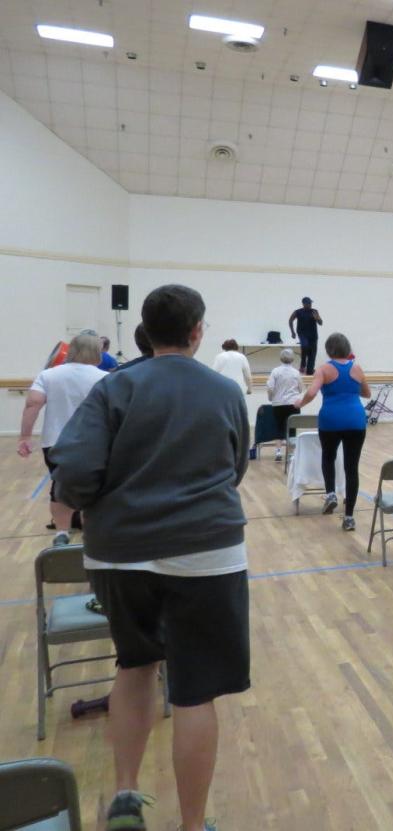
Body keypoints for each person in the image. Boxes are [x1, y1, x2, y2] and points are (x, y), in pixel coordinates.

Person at [50, 284, 250, 831]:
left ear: (146, 329)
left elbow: (73, 476)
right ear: (196, 331)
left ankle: (125, 797)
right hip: (207, 555)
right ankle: (191, 825)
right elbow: (235, 468)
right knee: (194, 691)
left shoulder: (115, 388)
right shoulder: (223, 390)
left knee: (134, 667)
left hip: (121, 555)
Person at [17, 333, 107, 546]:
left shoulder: (48, 375)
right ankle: (90, 537)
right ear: (97, 352)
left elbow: (33, 404)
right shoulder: (105, 378)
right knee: (94, 490)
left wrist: (25, 436)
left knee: (59, 487)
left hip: (55, 442)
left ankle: (61, 534)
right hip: (93, 443)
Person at [296, 332, 370, 531]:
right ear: (348, 348)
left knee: (328, 456)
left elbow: (311, 392)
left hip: (331, 420)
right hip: (355, 420)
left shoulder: (324, 369)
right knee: (351, 467)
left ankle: (330, 493)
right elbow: (367, 393)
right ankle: (349, 517)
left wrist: (299, 402)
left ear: (329, 349)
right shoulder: (356, 368)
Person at [265, 348, 302, 462]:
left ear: (281, 358)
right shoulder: (296, 372)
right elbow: (300, 389)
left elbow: (270, 387)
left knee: (279, 426)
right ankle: (291, 453)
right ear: (292, 358)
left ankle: (278, 451)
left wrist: (271, 398)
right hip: (293, 404)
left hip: (278, 404)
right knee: (292, 429)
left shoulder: (275, 371)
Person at [289, 296, 323, 375]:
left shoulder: (314, 311)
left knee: (312, 354)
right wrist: (292, 332)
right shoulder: (298, 312)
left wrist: (317, 318)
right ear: (304, 304)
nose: (310, 305)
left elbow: (321, 323)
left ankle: (310, 371)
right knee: (305, 346)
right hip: (302, 334)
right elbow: (290, 320)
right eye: (308, 303)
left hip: (313, 335)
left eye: (311, 303)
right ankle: (303, 364)